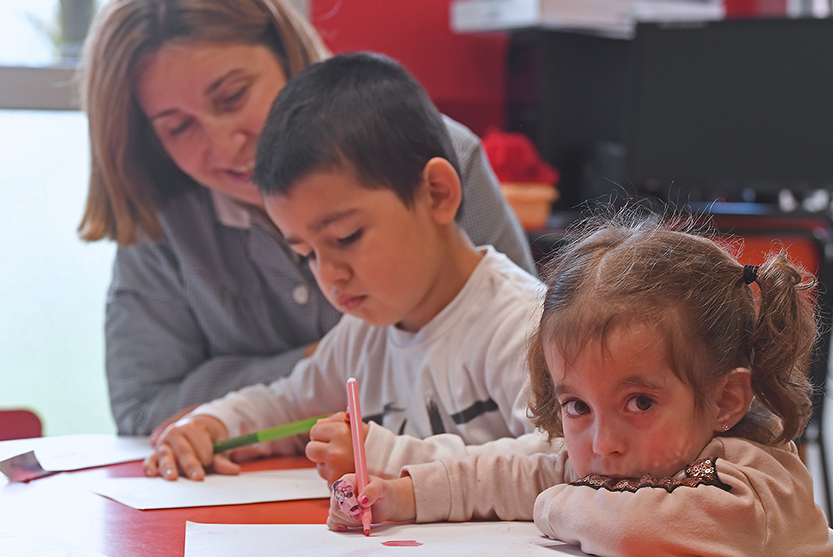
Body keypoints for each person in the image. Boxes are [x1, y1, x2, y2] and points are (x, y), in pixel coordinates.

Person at [77, 0, 536, 436]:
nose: (225, 145)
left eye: (233, 96)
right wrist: (321, 364)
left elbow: (543, 374)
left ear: (285, 53)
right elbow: (143, 408)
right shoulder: (160, 218)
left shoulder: (435, 157)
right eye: (178, 127)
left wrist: (395, 450)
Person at [327, 215, 833, 556]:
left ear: (724, 399)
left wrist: (551, 503)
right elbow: (505, 474)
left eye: (640, 402)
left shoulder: (752, 485)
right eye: (577, 406)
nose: (603, 442)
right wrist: (399, 496)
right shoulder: (620, 460)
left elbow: (634, 529)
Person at [143, 52, 545, 483]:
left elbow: (560, 458)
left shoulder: (526, 330)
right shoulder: (363, 336)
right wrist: (213, 424)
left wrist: (390, 458)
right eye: (307, 254)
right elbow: (286, 405)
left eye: (346, 237)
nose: (329, 276)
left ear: (436, 193)